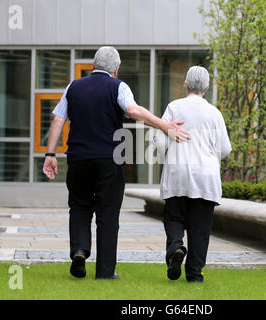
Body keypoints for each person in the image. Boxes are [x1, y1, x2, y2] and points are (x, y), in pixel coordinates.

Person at [43, 46, 190, 280]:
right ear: (116, 69)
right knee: (108, 214)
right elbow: (133, 111)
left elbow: (58, 121)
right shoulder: (118, 86)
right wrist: (163, 125)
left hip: (78, 159)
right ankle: (105, 271)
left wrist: (50, 155)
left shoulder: (73, 87)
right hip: (109, 161)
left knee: (79, 206)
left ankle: (79, 251)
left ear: (93, 65)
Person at [153, 66, 232, 282]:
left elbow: (159, 144)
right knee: (200, 229)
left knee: (174, 217)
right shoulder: (214, 113)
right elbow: (225, 150)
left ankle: (176, 247)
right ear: (206, 87)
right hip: (206, 178)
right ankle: (195, 274)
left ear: (185, 84)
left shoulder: (173, 108)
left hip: (177, 174)